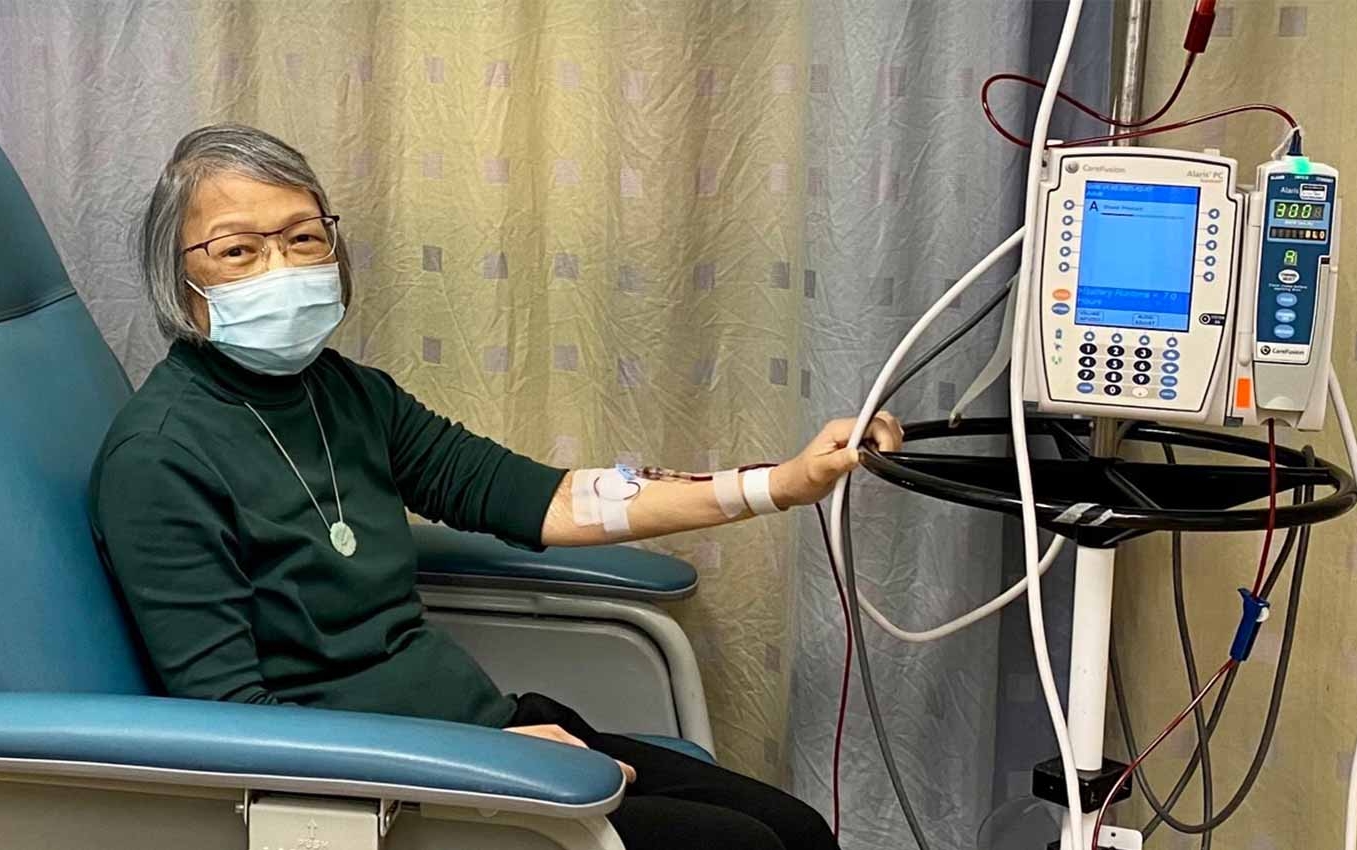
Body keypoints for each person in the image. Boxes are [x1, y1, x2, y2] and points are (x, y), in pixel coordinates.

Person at [89, 124, 902, 850]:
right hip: (384, 793)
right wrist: (482, 766)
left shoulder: (345, 393)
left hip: (479, 731)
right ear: (178, 283)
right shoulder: (159, 458)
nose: (282, 268)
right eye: (237, 250)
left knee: (795, 831)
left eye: (304, 238)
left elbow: (547, 498)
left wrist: (780, 483)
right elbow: (233, 729)